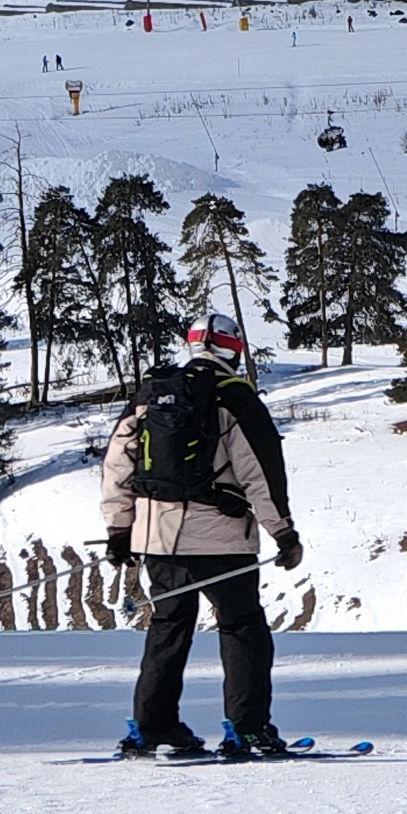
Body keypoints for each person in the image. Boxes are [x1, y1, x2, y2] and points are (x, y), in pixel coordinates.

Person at [102, 312, 303, 763]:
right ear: (234, 350)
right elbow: (260, 472)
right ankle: (248, 730)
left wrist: (119, 530)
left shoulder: (152, 394)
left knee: (168, 626)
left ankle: (152, 728)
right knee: (242, 626)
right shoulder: (234, 395)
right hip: (221, 539)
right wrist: (283, 533)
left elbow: (116, 464)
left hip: (157, 538)